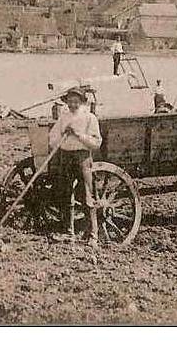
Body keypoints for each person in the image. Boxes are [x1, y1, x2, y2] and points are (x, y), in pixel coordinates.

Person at [51, 87, 102, 246]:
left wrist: (78, 135)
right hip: (65, 157)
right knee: (66, 195)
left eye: (76, 101)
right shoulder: (63, 117)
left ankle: (93, 235)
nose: (73, 104)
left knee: (86, 195)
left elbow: (96, 142)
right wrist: (61, 136)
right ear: (66, 102)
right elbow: (52, 138)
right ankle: (69, 232)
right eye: (70, 101)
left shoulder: (89, 117)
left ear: (82, 102)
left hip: (82, 158)